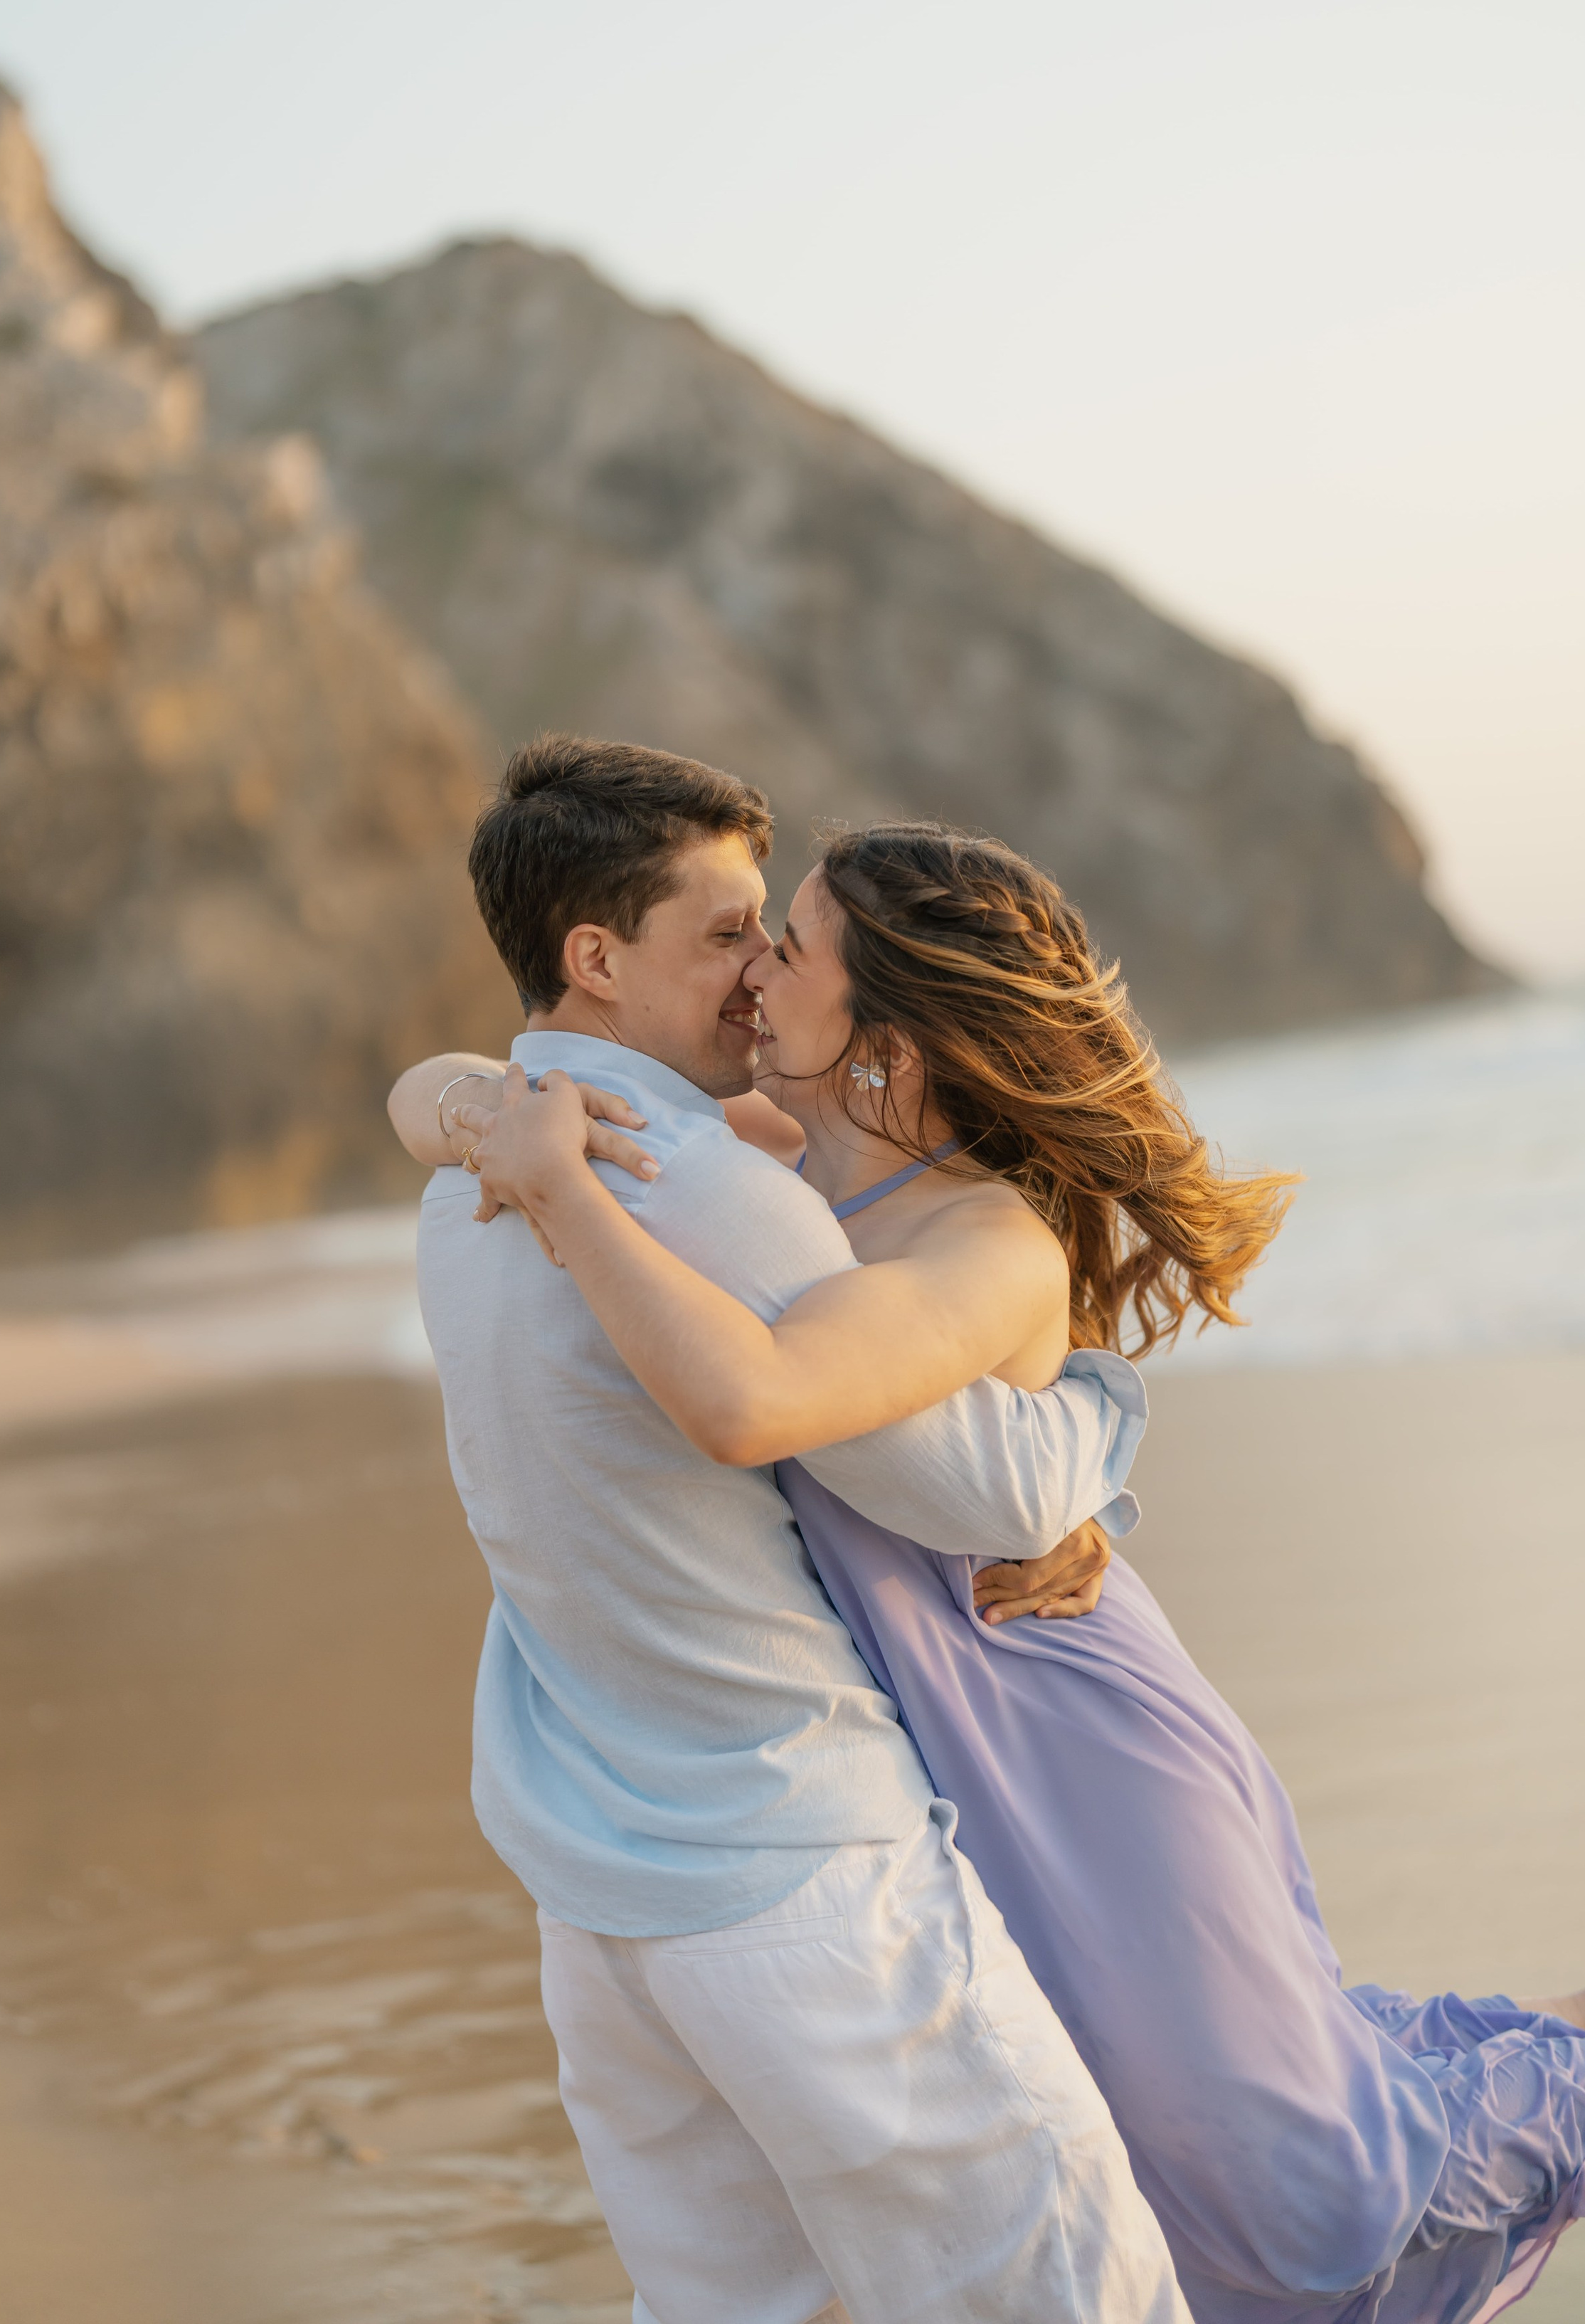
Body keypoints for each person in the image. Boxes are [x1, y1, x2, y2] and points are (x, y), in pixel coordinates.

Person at [454, 811, 1585, 2324]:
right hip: (942, 1764)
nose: (756, 975)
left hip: (1077, 1742)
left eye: (788, 947)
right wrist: (456, 1106)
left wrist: (562, 1193)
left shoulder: (986, 1243)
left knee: (1291, 2177)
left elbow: (753, 1396)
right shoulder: (770, 1164)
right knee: (1139, 2168)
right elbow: (480, 1089)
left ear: (890, 1047)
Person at [388, 736, 1188, 2324]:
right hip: (798, 1871)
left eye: (771, 933)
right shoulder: (700, 1186)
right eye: (726, 931)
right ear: (596, 958)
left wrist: (442, 1089)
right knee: (1075, 2287)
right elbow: (971, 1490)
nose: (759, 973)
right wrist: (1092, 1429)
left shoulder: (465, 1173)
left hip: (598, 1896)